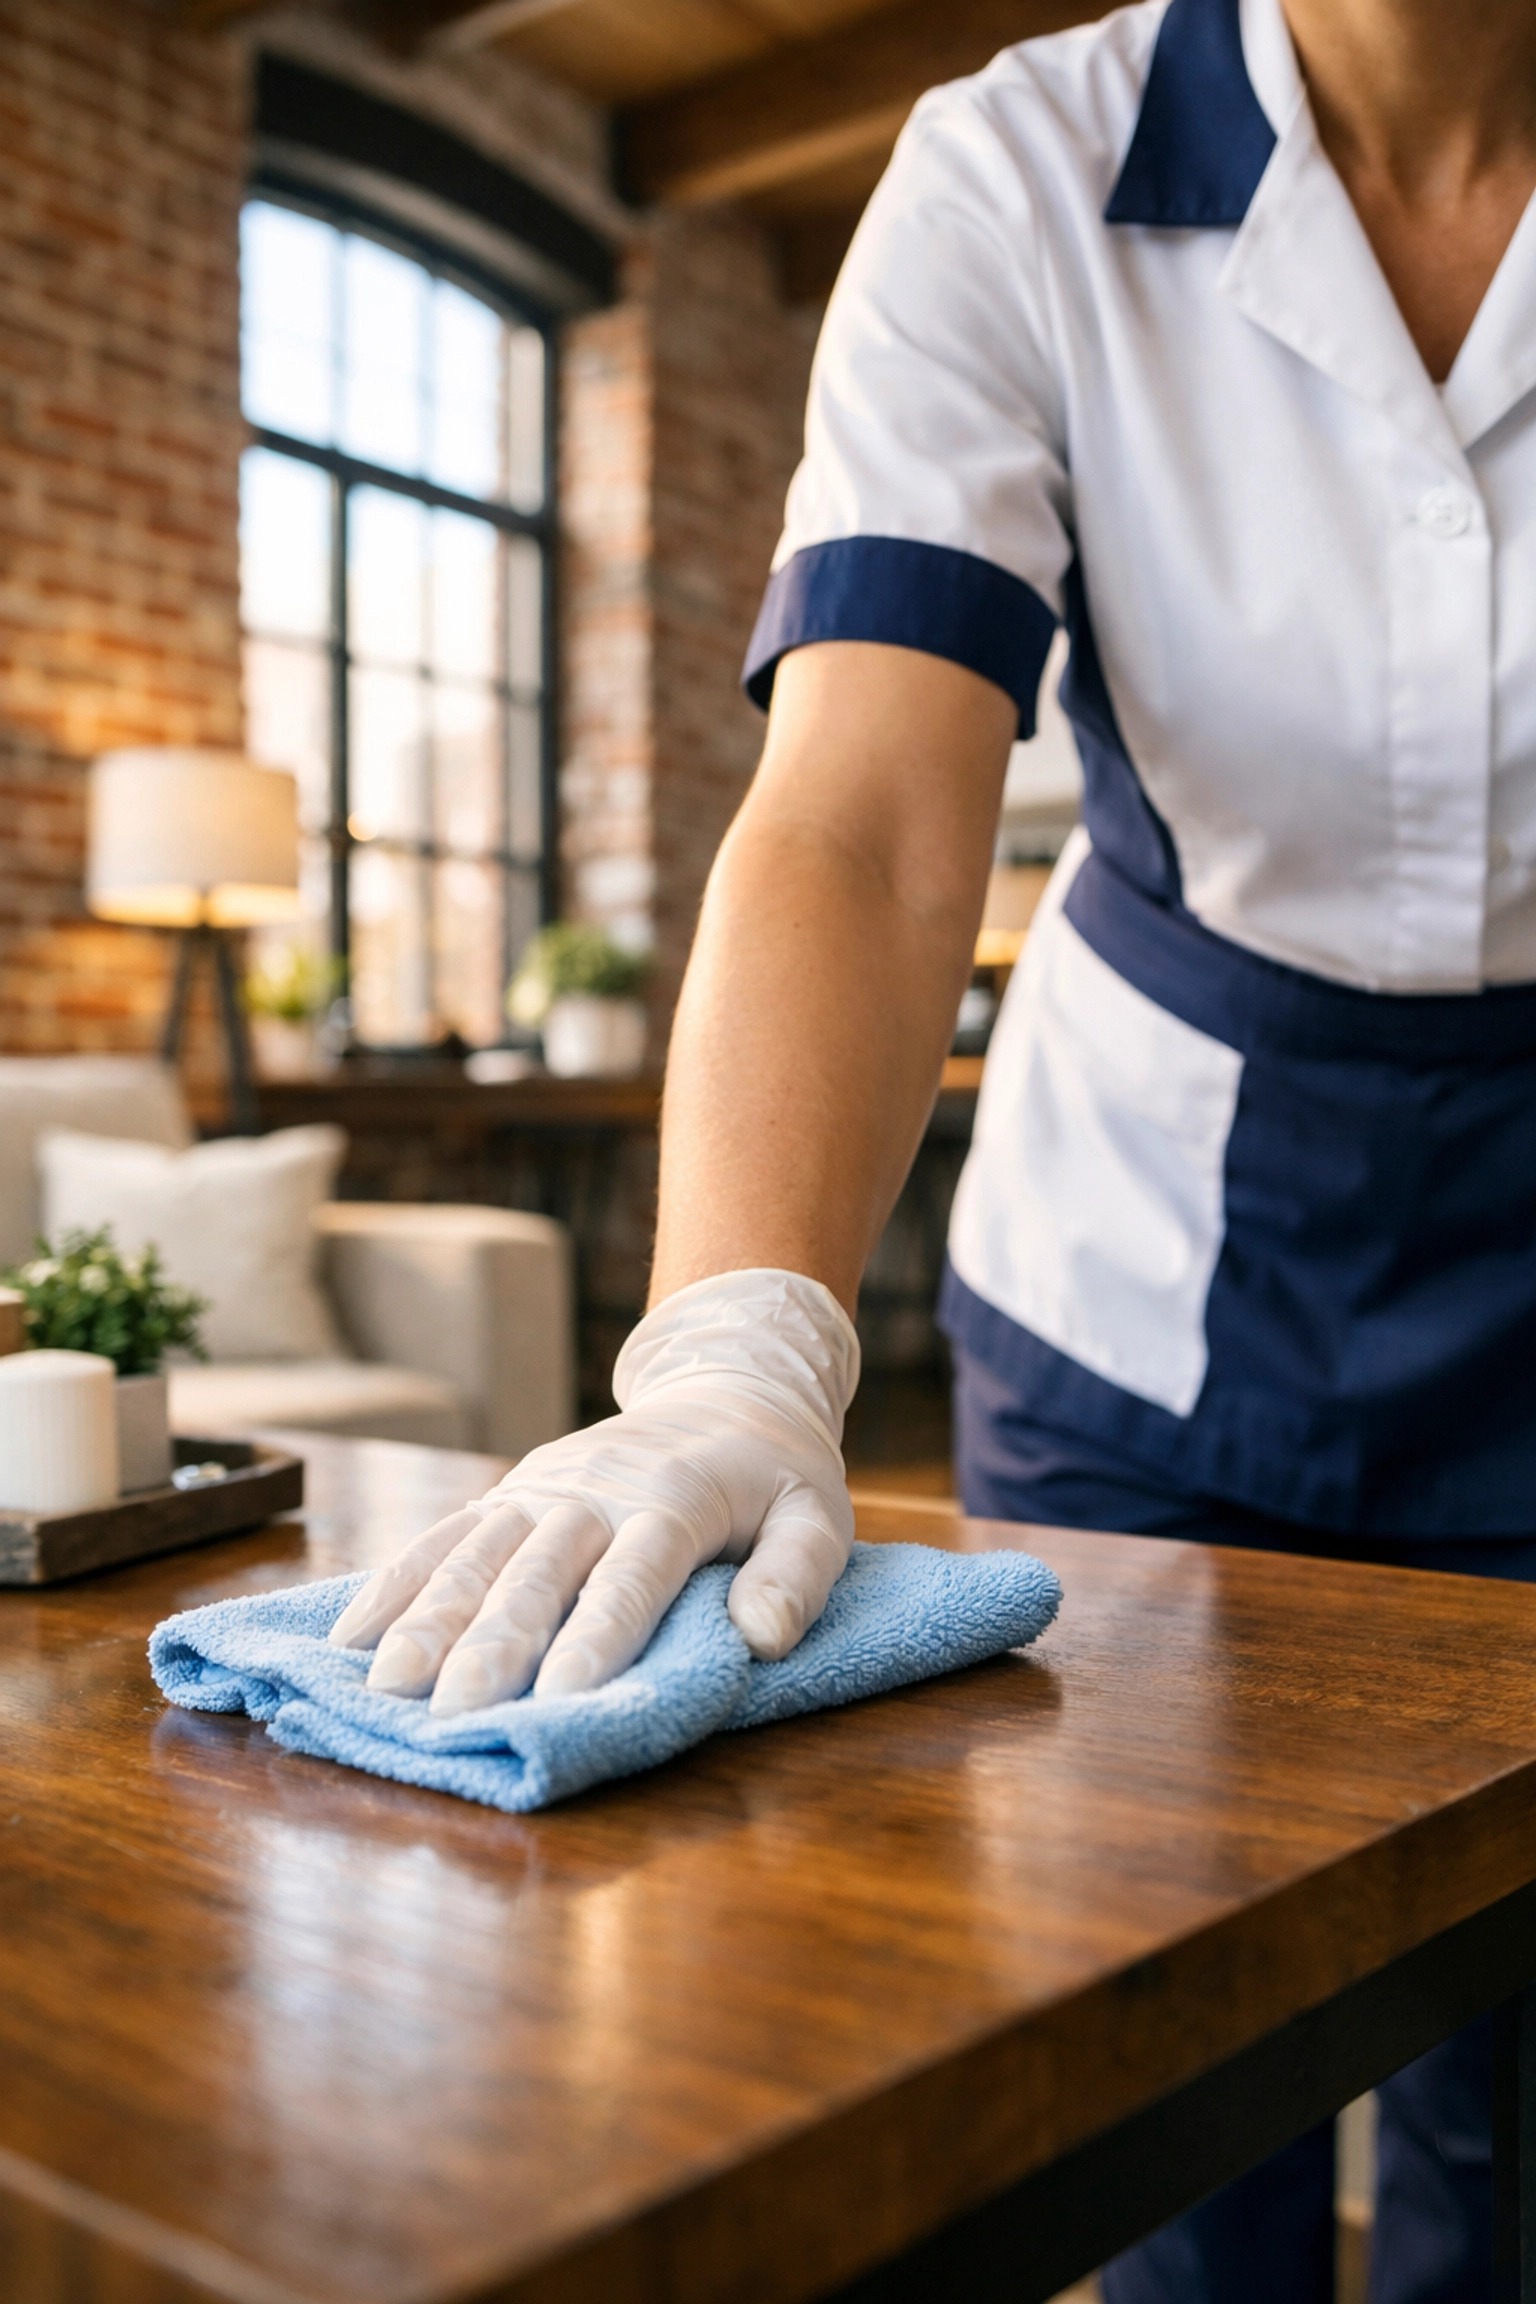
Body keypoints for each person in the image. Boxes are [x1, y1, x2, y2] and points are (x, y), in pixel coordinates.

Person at [331, 0, 1536, 2292]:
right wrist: (736, 1342)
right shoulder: (1018, 170)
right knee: (1179, 2100)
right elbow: (874, 820)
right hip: (1147, 1268)